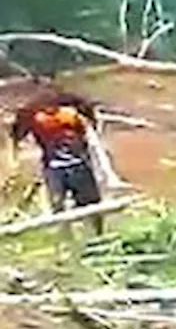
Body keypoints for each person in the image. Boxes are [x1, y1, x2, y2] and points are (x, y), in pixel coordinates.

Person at [7, 86, 106, 233]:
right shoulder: (40, 118)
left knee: (82, 204)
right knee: (65, 205)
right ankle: (74, 236)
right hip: (61, 167)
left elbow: (18, 133)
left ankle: (93, 234)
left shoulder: (65, 116)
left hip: (70, 166)